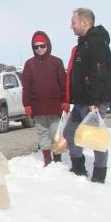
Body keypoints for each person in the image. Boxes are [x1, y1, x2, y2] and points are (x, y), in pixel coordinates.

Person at [63, 8, 111, 183]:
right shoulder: (85, 42)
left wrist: (94, 101)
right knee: (70, 133)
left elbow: (98, 73)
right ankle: (78, 168)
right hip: (82, 100)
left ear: (84, 22)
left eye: (73, 22)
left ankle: (99, 176)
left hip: (94, 101)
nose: (71, 26)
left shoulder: (96, 42)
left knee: (96, 138)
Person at [21, 31, 68, 166]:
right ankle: (47, 160)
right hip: (38, 107)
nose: (39, 49)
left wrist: (65, 101)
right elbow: (26, 87)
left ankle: (57, 158)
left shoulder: (57, 62)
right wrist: (27, 105)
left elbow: (62, 84)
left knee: (55, 133)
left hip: (55, 106)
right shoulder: (29, 64)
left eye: (42, 46)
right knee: (43, 134)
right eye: (36, 47)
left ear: (48, 45)